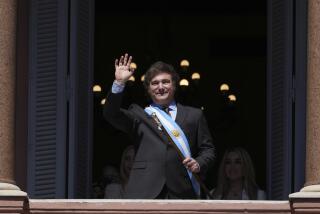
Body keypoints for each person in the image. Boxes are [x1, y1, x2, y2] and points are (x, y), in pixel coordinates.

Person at [103, 53, 216, 199]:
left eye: (165, 82)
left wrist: (198, 163)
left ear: (174, 85)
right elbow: (111, 114)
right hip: (144, 190)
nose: (160, 87)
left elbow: (208, 150)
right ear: (149, 89)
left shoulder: (194, 115)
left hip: (182, 190)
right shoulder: (138, 115)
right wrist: (118, 83)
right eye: (155, 83)